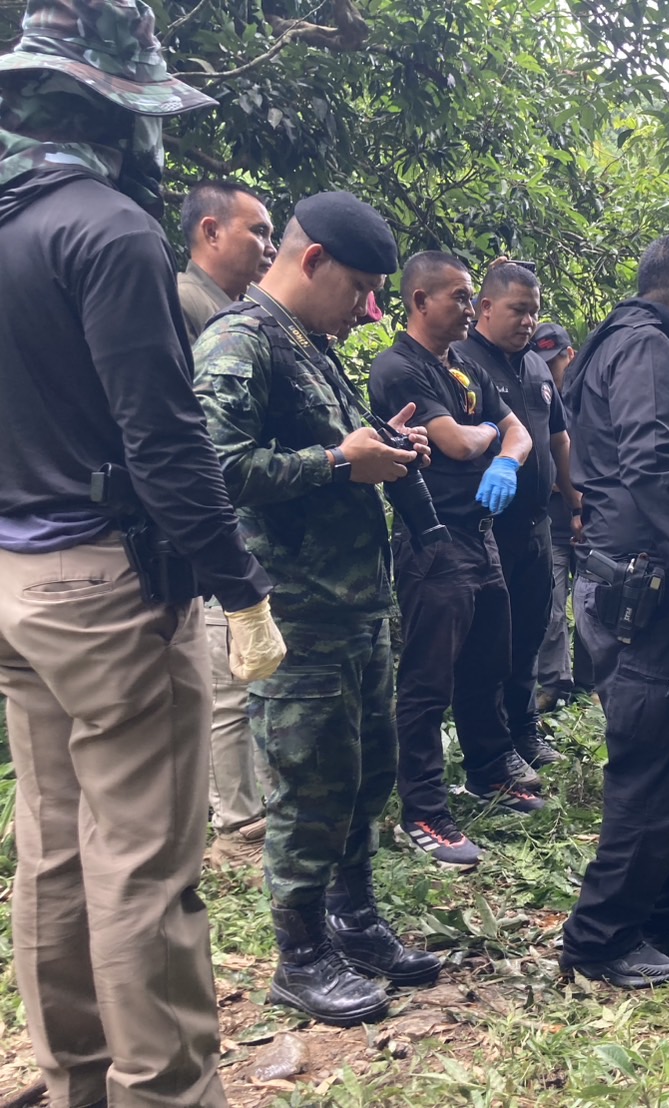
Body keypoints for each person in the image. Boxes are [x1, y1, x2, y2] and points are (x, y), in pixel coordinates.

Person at [0, 0, 286, 1100]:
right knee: (142, 861)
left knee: (53, 844)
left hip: (16, 582)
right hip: (106, 590)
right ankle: (165, 1089)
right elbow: (165, 443)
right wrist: (239, 588)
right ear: (113, 108)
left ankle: (76, 1077)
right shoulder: (109, 232)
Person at [195, 192, 442, 1024]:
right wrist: (339, 462)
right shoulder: (239, 341)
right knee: (308, 786)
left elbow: (339, 445)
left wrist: (385, 447)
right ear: (311, 261)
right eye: (359, 289)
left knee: (366, 772)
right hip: (294, 611)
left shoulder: (311, 344)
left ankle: (354, 921)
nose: (366, 309)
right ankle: (298, 957)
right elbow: (215, 469)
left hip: (356, 605)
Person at [559, 233, 669, 988]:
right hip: (647, 587)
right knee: (650, 766)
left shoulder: (615, 340)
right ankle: (599, 937)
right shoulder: (648, 347)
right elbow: (649, 463)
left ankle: (664, 900)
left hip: (629, 578)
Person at [368, 251, 533, 869]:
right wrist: (491, 435)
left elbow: (521, 432)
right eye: (459, 297)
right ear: (420, 300)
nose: (469, 309)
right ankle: (424, 809)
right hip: (432, 538)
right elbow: (459, 442)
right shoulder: (398, 368)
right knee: (428, 678)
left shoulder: (465, 365)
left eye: (470, 297)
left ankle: (488, 772)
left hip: (480, 534)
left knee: (489, 660)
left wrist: (505, 458)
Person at [176, 178, 279, 874]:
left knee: (250, 675)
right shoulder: (188, 304)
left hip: (245, 524)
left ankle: (254, 806)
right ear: (210, 231)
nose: (268, 246)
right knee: (228, 683)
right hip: (216, 524)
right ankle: (234, 820)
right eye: (256, 230)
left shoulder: (239, 310)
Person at [455, 261, 576, 783]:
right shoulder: (462, 361)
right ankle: (491, 747)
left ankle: (524, 729)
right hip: (487, 526)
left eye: (534, 311)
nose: (528, 321)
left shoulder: (536, 368)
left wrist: (575, 500)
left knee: (530, 630)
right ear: (485, 307)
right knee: (488, 643)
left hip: (537, 523)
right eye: (518, 310)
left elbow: (558, 437)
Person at [533, 320, 594, 711]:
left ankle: (590, 684)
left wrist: (577, 495)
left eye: (554, 361)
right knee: (552, 609)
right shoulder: (534, 401)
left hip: (590, 521)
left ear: (568, 355)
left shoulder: (588, 400)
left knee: (591, 607)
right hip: (551, 525)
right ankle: (555, 686)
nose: (549, 369)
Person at [178, 179, 276, 342]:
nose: (272, 249)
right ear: (212, 232)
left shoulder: (252, 311)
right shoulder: (180, 301)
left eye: (270, 236)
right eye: (259, 232)